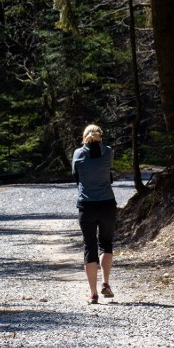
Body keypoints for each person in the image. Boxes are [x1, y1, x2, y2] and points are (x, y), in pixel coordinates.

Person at [72, 124, 116, 304]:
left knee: (89, 246)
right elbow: (109, 174)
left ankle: (93, 293)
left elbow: (76, 177)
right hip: (107, 204)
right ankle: (106, 283)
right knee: (106, 243)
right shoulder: (109, 152)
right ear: (101, 136)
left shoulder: (77, 154)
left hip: (86, 206)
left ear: (84, 137)